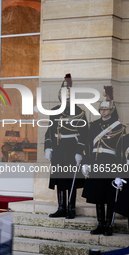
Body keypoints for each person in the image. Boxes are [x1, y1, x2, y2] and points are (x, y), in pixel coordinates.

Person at [82, 86, 125, 236]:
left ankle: (109, 225)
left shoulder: (119, 126)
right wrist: (86, 162)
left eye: (106, 109)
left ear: (111, 110)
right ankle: (100, 224)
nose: (103, 112)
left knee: (110, 195)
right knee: (98, 194)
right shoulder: (94, 125)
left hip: (110, 164)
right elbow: (88, 144)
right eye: (101, 109)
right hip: (95, 163)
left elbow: (121, 150)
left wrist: (120, 172)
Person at [44, 73, 88, 219]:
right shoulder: (54, 111)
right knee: (59, 179)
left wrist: (79, 151)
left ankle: (71, 208)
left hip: (71, 148)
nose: (66, 99)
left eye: (68, 97)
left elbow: (84, 133)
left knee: (71, 180)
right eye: (63, 97)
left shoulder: (80, 112)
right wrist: (48, 147)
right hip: (58, 149)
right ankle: (61, 207)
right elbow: (49, 132)